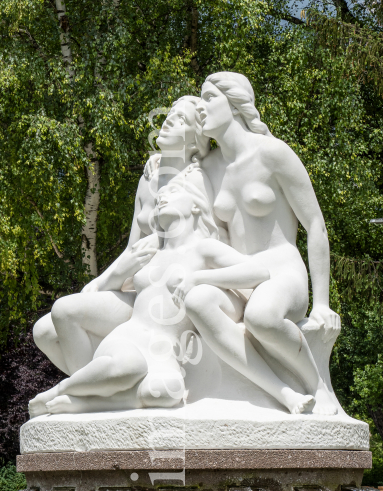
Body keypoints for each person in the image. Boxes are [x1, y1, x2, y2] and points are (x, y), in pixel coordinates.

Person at [29, 167, 315, 416]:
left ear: (194, 206)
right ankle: (65, 391)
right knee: (126, 365)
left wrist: (198, 278)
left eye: (174, 192)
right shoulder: (149, 252)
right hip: (130, 336)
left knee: (167, 392)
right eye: (160, 196)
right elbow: (92, 294)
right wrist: (118, 271)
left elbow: (258, 273)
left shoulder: (203, 248)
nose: (162, 197)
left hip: (165, 350)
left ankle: (81, 403)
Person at [186, 71, 341, 414]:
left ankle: (318, 386)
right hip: (238, 274)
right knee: (197, 300)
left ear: (236, 103)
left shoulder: (273, 154)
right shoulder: (208, 168)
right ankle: (280, 391)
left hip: (280, 269)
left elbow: (315, 224)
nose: (201, 107)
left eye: (209, 98)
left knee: (261, 317)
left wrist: (322, 303)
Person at [31, 96, 210, 378]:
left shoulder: (198, 179)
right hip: (132, 286)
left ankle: (87, 398)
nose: (168, 119)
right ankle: (100, 386)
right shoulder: (149, 178)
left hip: (158, 299)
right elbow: (132, 250)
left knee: (65, 311)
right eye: (171, 113)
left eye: (182, 119)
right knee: (43, 331)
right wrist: (106, 280)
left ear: (195, 141)